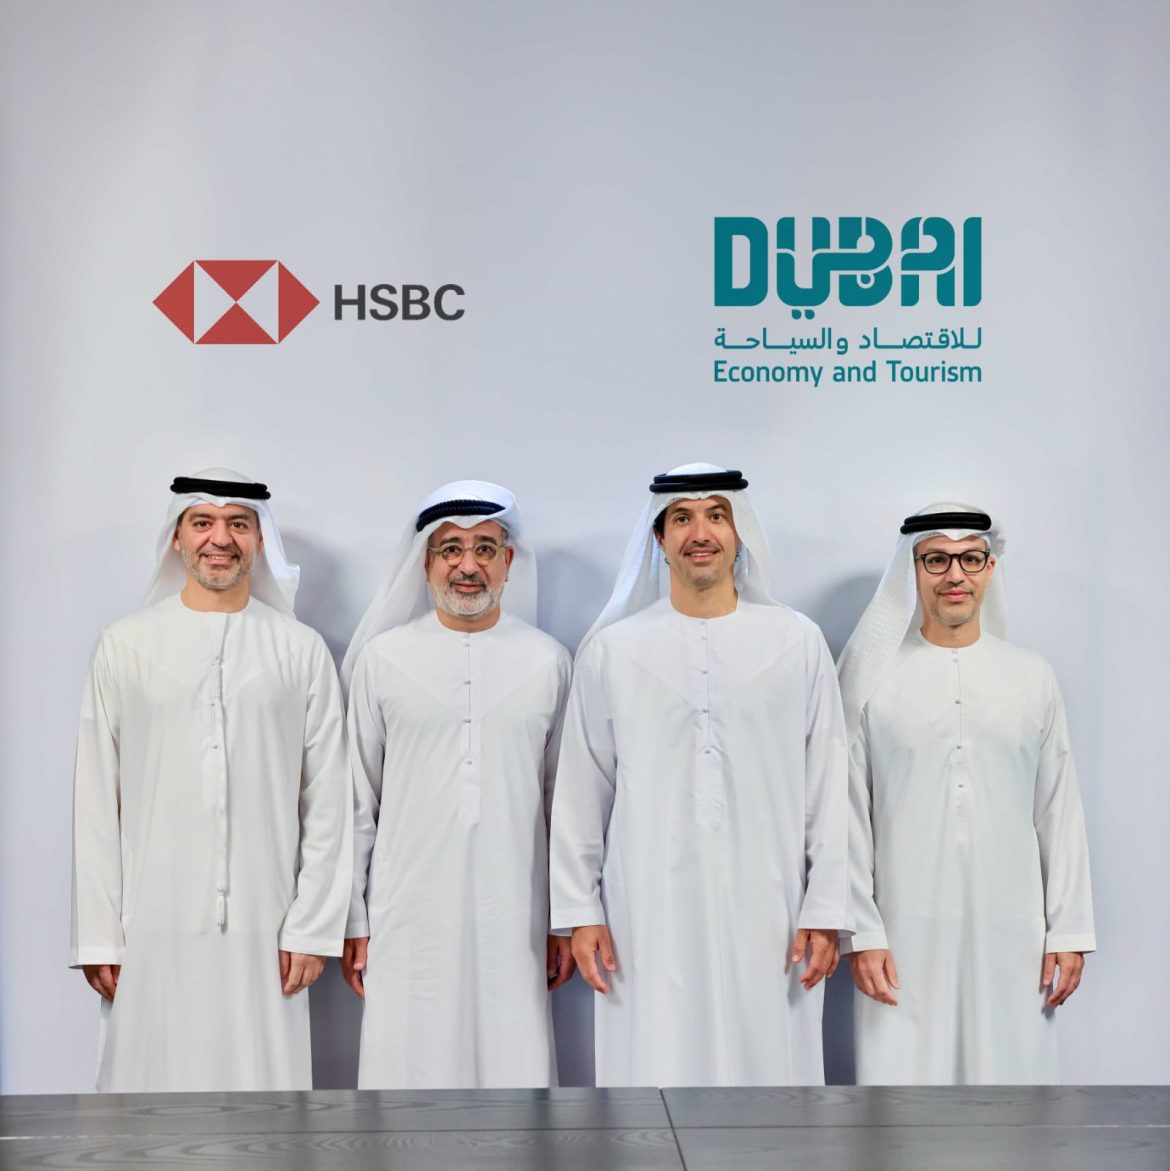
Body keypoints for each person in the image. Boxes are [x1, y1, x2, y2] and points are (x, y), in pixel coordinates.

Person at [548, 463, 850, 1086]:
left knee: (770, 1074)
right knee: (653, 1070)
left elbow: (827, 782)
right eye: (681, 518)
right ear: (659, 539)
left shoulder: (797, 642)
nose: (700, 532)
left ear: (741, 534)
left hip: (772, 909)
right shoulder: (612, 651)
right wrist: (582, 911)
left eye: (717, 515)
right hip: (644, 911)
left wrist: (825, 906)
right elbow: (582, 789)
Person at [69, 469, 352, 1092]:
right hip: (150, 923)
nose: (220, 539)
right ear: (177, 537)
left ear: (259, 539)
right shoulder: (125, 645)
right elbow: (96, 801)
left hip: (267, 927)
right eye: (203, 522)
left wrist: (312, 926)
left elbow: (328, 798)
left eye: (238, 524)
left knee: (264, 1099)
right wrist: (99, 936)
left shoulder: (300, 650)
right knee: (150, 1095)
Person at [837, 503, 1095, 1084]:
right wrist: (864, 932)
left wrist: (1069, 932)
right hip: (901, 933)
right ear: (911, 570)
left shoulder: (1031, 677)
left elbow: (1058, 810)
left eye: (970, 559)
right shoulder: (871, 679)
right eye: (936, 560)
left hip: (1014, 934)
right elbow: (848, 814)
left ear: (989, 569)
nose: (955, 575)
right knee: (902, 1102)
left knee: (1011, 1099)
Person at [340, 480, 573, 1088]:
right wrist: (354, 921)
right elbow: (357, 801)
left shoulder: (549, 661)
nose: (468, 566)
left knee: (513, 1071)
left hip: (515, 914)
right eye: (451, 549)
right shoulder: (382, 661)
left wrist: (562, 921)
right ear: (426, 562)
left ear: (508, 561)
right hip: (405, 916)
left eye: (485, 549)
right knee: (407, 1072)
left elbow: (563, 804)